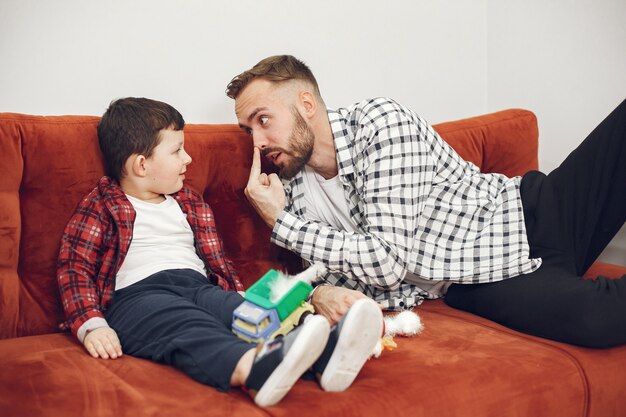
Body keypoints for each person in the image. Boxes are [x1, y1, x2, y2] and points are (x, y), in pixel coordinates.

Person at [226, 55, 626, 349]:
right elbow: (341, 281)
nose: (258, 143)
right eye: (248, 131)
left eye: (264, 120)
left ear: (306, 104)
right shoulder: (288, 189)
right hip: (474, 279)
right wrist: (315, 294)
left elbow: (386, 261)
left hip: (527, 213)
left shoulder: (378, 123)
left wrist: (280, 223)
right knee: (599, 321)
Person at [56, 97, 383, 407]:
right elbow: (75, 266)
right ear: (141, 165)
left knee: (244, 311)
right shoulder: (103, 205)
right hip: (136, 298)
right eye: (177, 151)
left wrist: (240, 298)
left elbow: (217, 261)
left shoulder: (188, 202)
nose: (188, 159)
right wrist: (91, 324)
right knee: (188, 325)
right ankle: (254, 370)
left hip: (197, 287)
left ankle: (326, 351)